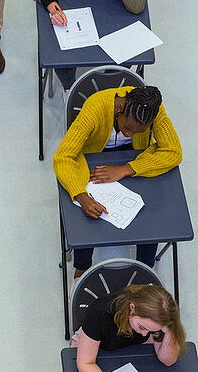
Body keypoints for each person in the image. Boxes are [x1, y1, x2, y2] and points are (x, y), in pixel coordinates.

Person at [53, 84, 181, 276]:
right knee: (86, 218)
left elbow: (173, 151)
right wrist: (80, 195)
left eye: (138, 132)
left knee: (151, 216)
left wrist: (127, 169)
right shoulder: (95, 108)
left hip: (133, 160)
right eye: (126, 128)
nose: (129, 134)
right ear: (120, 109)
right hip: (92, 159)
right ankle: (81, 269)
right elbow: (63, 157)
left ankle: (145, 270)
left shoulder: (153, 110)